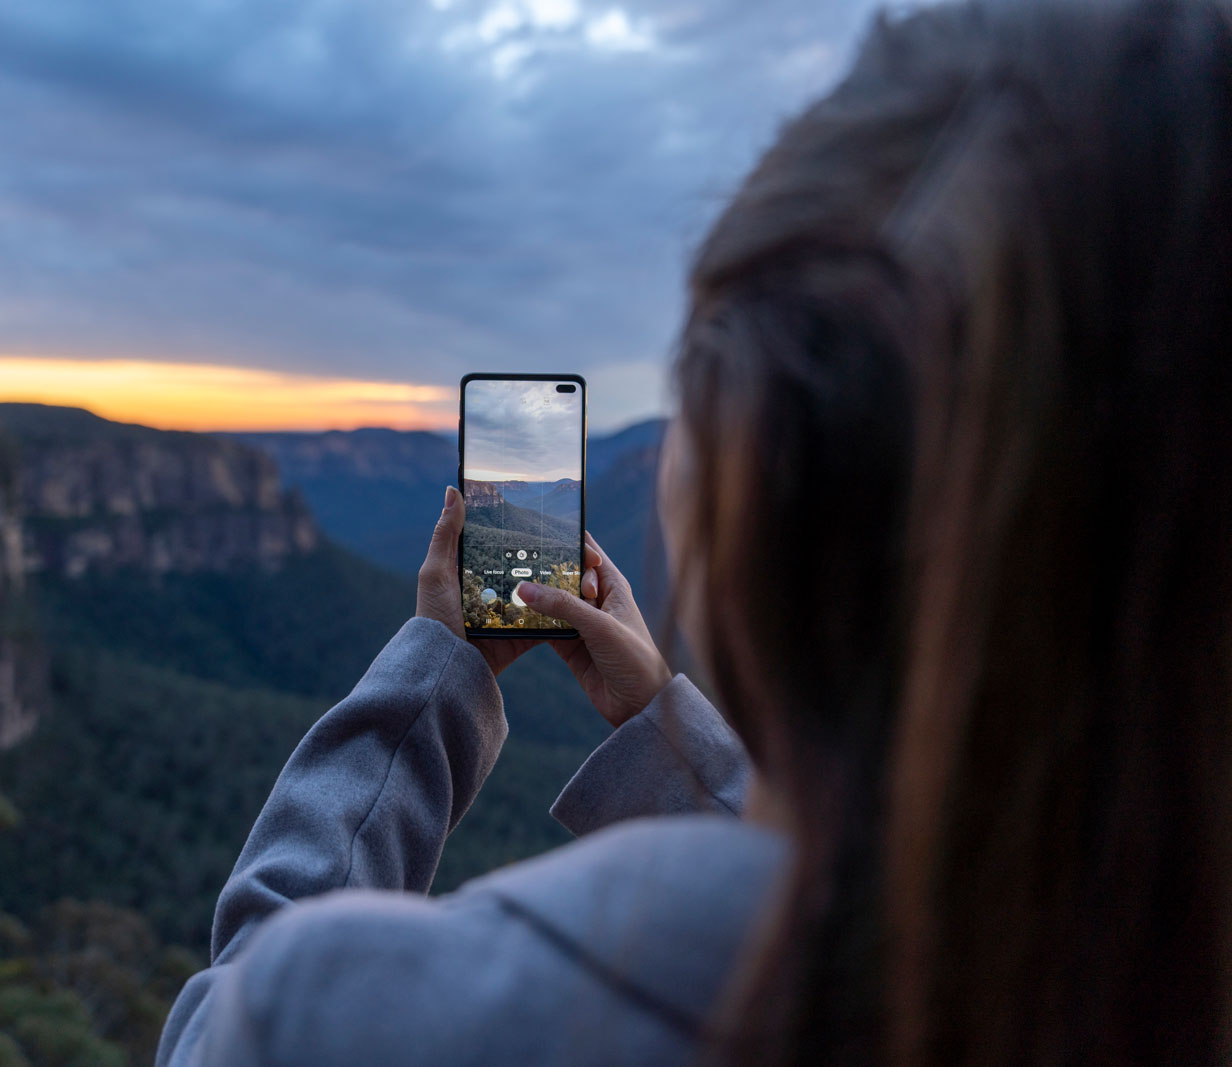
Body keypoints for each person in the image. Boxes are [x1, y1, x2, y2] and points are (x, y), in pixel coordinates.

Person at [157, 0, 1232, 1063]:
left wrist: (433, 682)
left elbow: (230, 1023)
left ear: (761, 499)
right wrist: (663, 730)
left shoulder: (473, 1012)